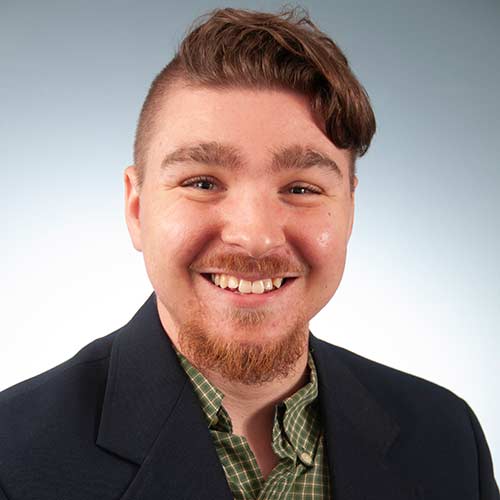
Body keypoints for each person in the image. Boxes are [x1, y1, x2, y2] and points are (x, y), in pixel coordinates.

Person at [0, 7, 498, 500]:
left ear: (349, 210)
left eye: (302, 188)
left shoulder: (447, 438)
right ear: (136, 207)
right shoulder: (11, 456)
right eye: (202, 182)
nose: (255, 237)